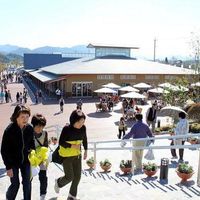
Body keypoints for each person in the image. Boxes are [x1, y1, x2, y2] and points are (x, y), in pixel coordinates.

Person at [1, 105, 35, 200]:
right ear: (16, 117)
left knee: (27, 183)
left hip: (26, 161)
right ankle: (9, 197)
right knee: (15, 184)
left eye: (27, 117)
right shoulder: (9, 130)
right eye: (22, 117)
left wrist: (33, 153)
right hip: (13, 163)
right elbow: (4, 150)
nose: (25, 119)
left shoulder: (29, 128)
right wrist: (8, 167)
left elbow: (32, 143)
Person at [54, 109, 88, 200]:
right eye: (79, 122)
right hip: (67, 157)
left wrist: (86, 150)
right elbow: (61, 142)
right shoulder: (67, 129)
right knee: (69, 177)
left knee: (77, 177)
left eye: (83, 122)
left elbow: (85, 139)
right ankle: (58, 182)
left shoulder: (83, 128)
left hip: (77, 155)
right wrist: (72, 145)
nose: (81, 124)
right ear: (73, 121)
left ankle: (72, 197)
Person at [31, 113, 48, 200]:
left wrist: (44, 159)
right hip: (31, 160)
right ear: (33, 125)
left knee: (43, 177)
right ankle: (27, 196)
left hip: (42, 159)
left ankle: (43, 195)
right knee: (28, 179)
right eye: (38, 126)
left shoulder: (45, 133)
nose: (40, 129)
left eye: (42, 126)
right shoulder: (29, 133)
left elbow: (46, 147)